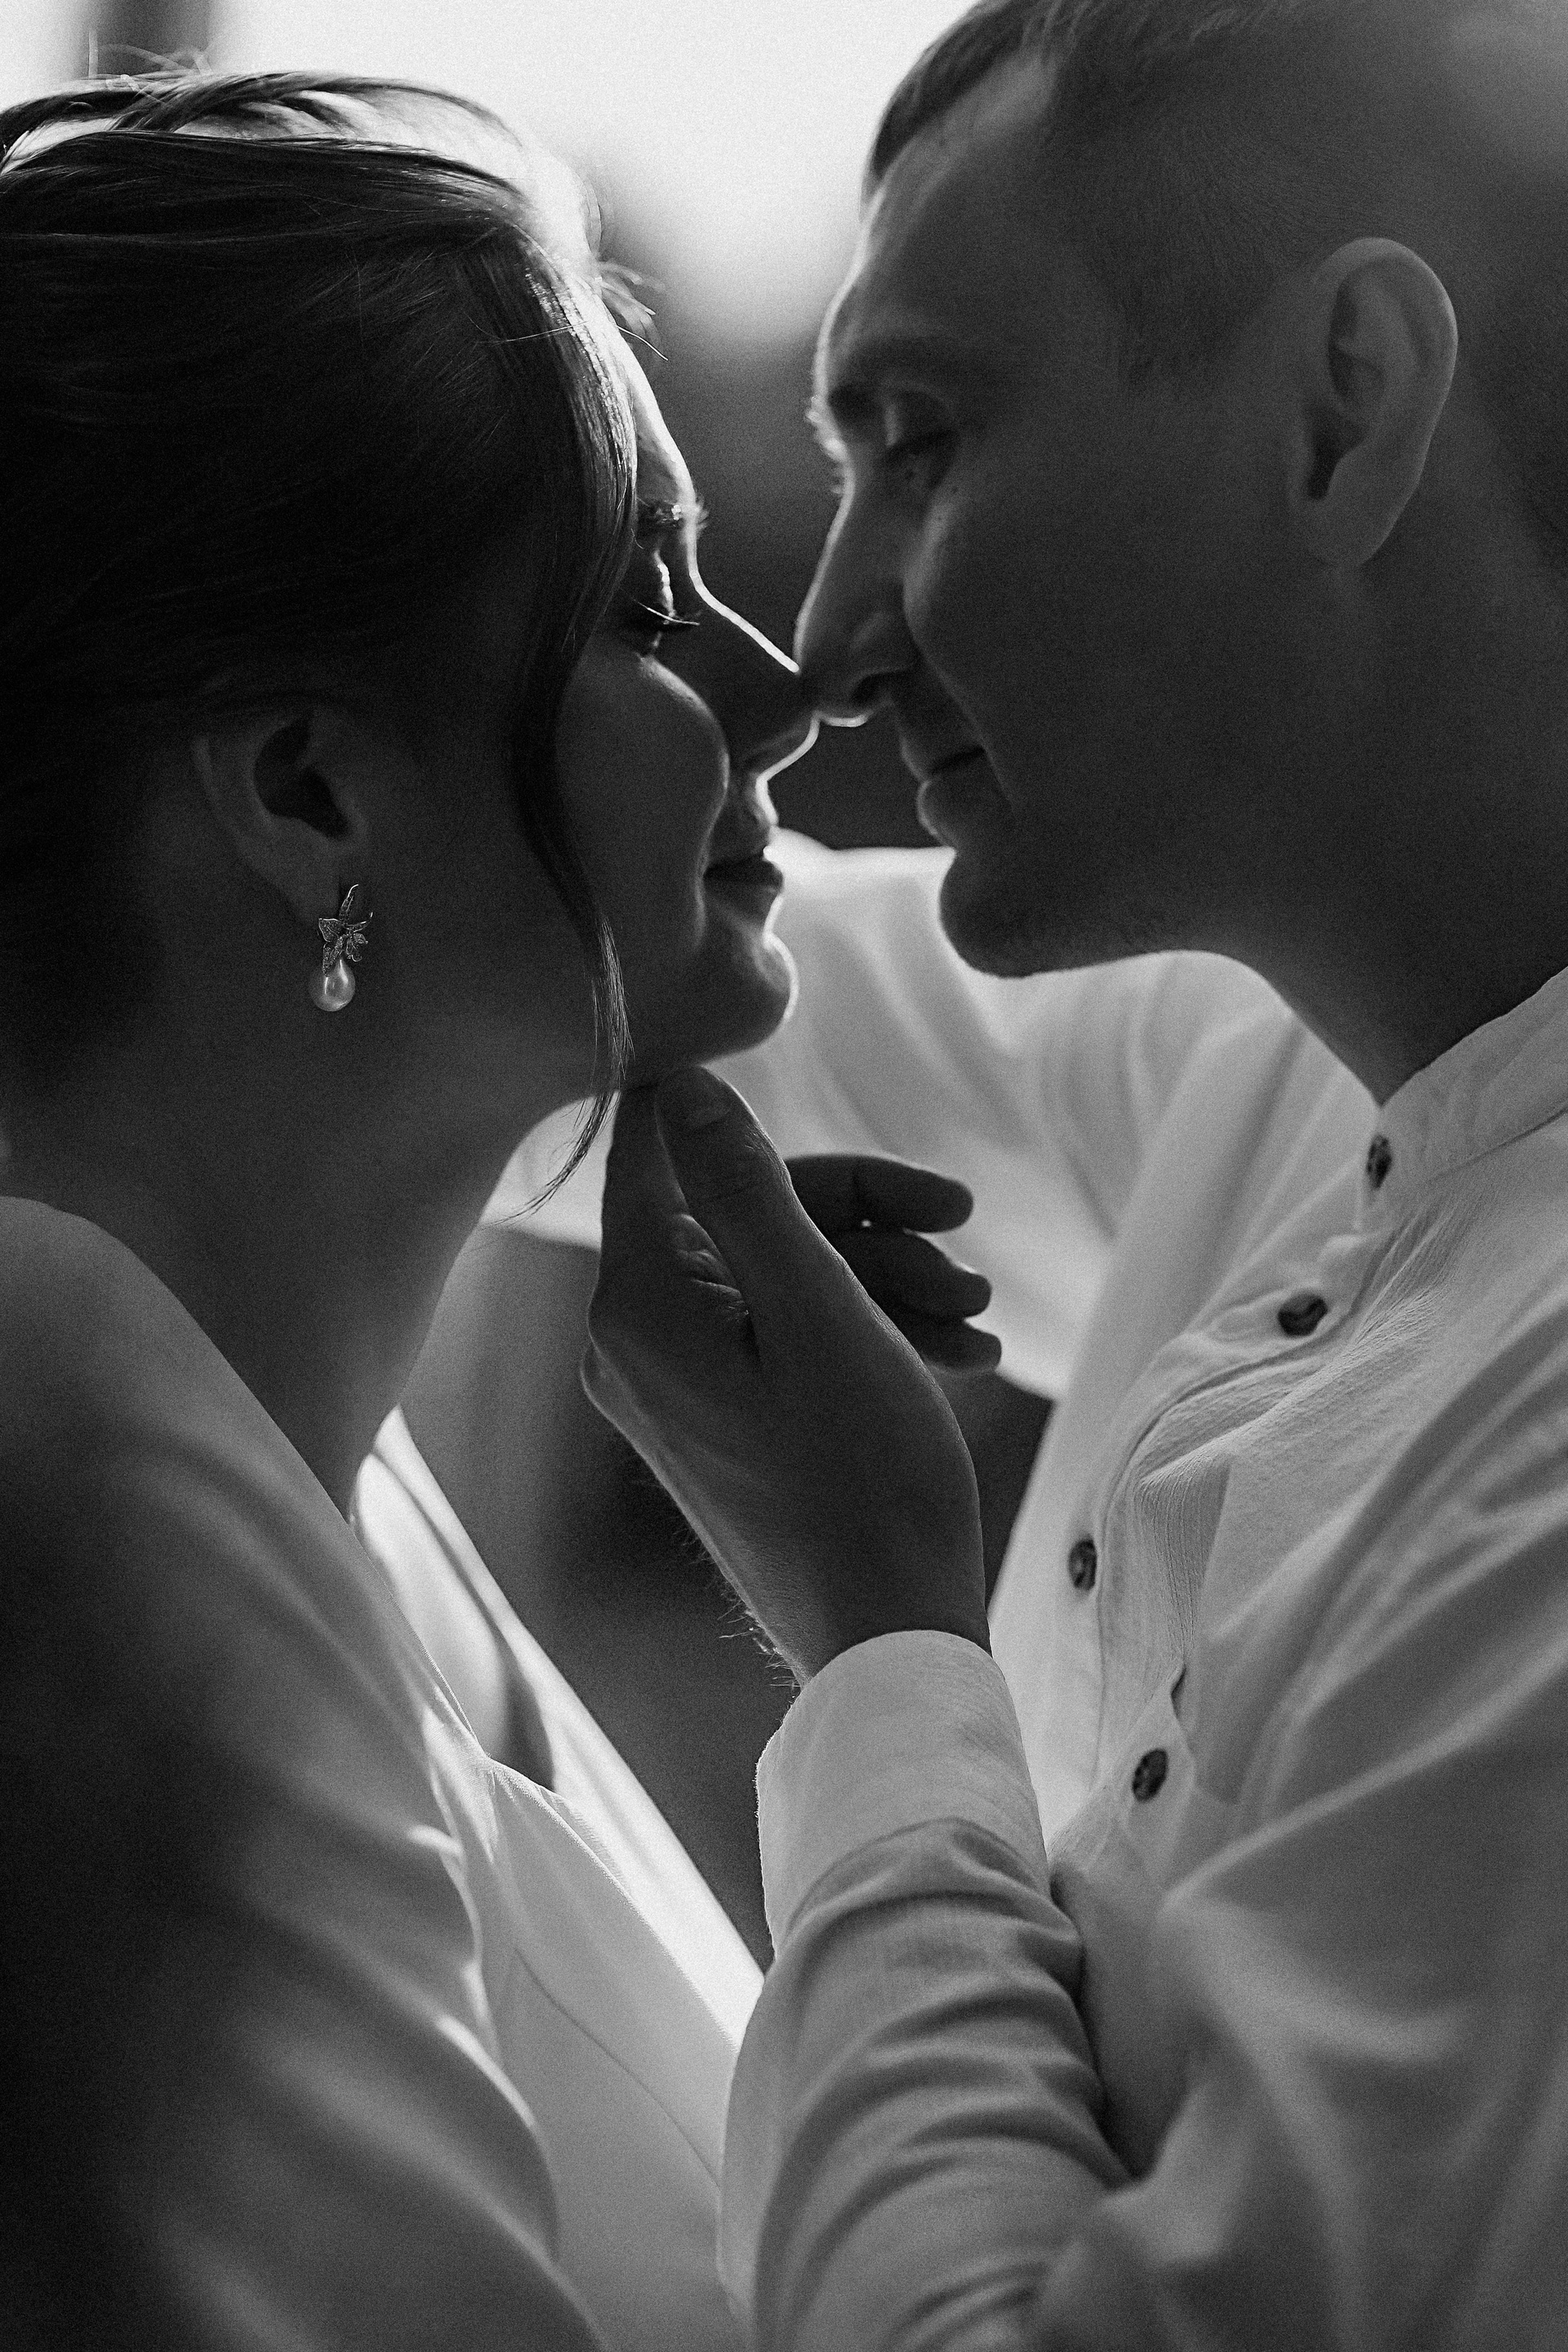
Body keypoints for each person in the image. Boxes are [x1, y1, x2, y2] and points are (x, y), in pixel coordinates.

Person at [581, 2, 1568, 2345]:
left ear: (1343, 409)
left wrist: (879, 1646)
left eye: (921, 440)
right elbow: (603, 965)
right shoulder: (1272, 1051)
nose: (825, 647)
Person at [0, 70, 995, 2350]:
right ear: (306, 789)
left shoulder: (332, 1478)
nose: (781, 687)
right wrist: (886, 1645)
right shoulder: (63, 1446)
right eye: (646, 597)